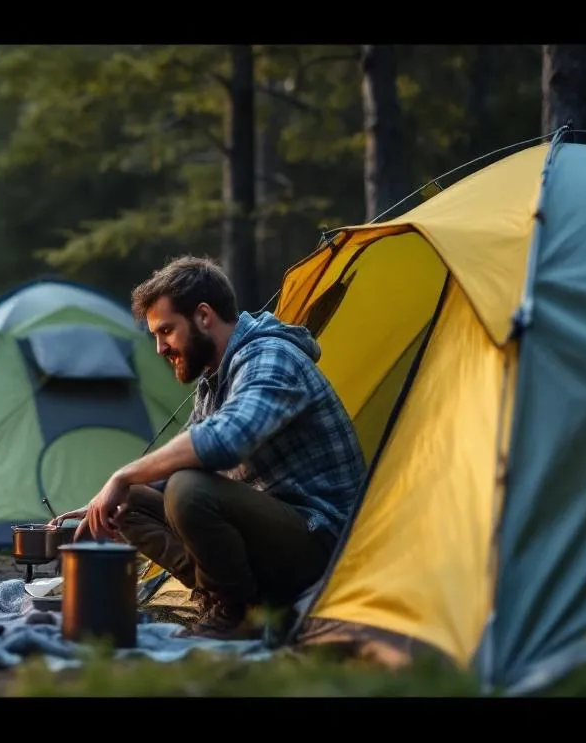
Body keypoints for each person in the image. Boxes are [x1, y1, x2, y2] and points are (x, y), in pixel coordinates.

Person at [52, 255, 367, 639]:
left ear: (203, 316)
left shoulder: (271, 356)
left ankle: (239, 615)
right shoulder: (214, 378)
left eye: (166, 331)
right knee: (130, 500)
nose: (159, 349)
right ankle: (227, 599)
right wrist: (105, 498)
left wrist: (123, 474)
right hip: (274, 535)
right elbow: (175, 462)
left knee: (189, 489)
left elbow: (227, 441)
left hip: (322, 544)